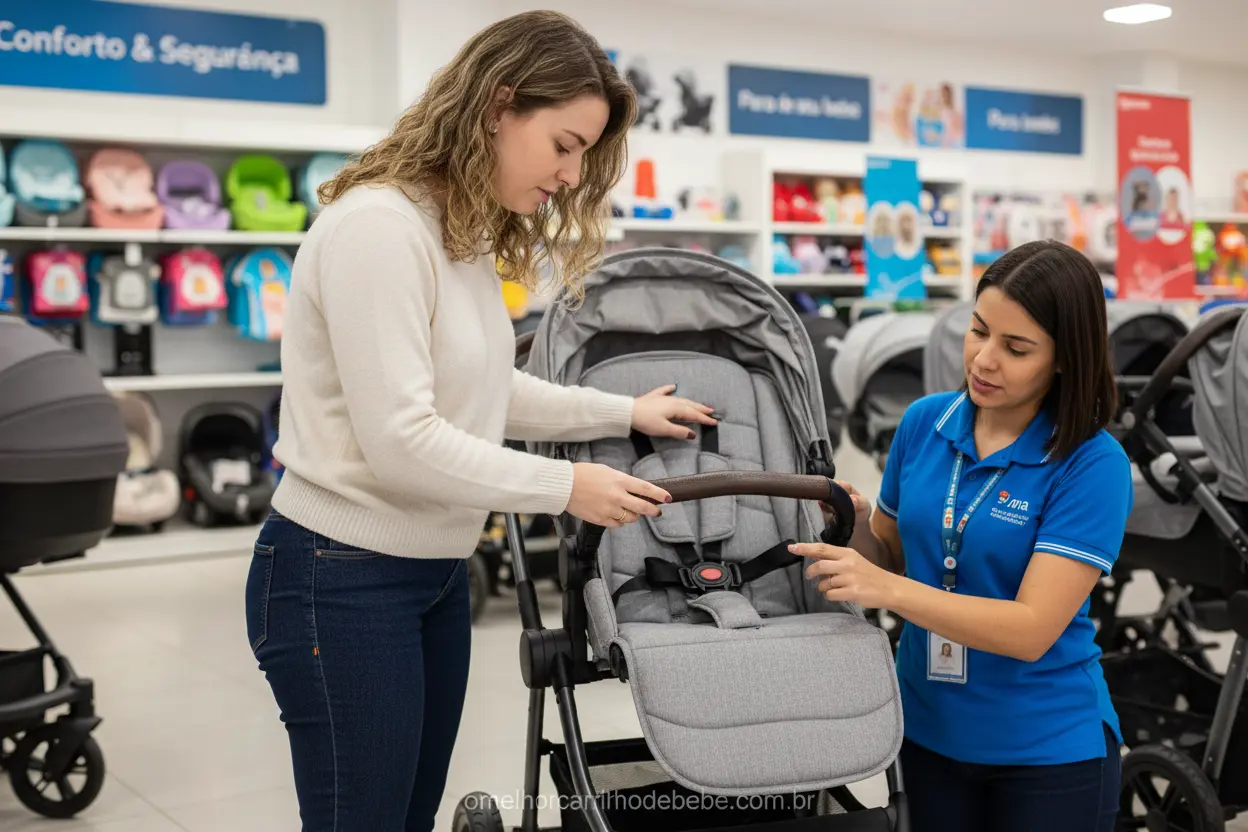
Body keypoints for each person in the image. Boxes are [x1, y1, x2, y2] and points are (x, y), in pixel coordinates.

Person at [243, 11, 716, 832]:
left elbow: (487, 389)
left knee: (406, 815)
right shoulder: (378, 229)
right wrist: (566, 486)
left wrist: (624, 411)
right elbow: (402, 442)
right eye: (564, 144)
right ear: (499, 106)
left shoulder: (454, 233)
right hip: (341, 576)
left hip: (430, 573)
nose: (571, 175)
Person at [793, 240, 1131, 832]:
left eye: (1016, 347)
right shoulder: (925, 422)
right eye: (978, 331)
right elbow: (893, 559)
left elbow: (1031, 630)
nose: (984, 360)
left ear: (1064, 359)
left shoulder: (1090, 463)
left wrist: (887, 591)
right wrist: (850, 527)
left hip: (1047, 750)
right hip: (926, 732)